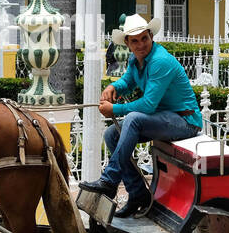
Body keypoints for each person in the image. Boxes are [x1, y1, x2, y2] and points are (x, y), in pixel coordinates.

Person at [79, 13, 203, 219]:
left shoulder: (160, 61)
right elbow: (127, 82)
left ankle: (109, 180)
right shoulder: (136, 60)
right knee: (111, 135)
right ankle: (137, 194)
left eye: (144, 38)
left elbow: (148, 104)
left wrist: (114, 110)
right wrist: (113, 86)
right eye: (134, 41)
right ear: (127, 44)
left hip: (185, 122)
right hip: (165, 118)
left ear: (151, 36)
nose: (140, 44)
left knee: (133, 118)